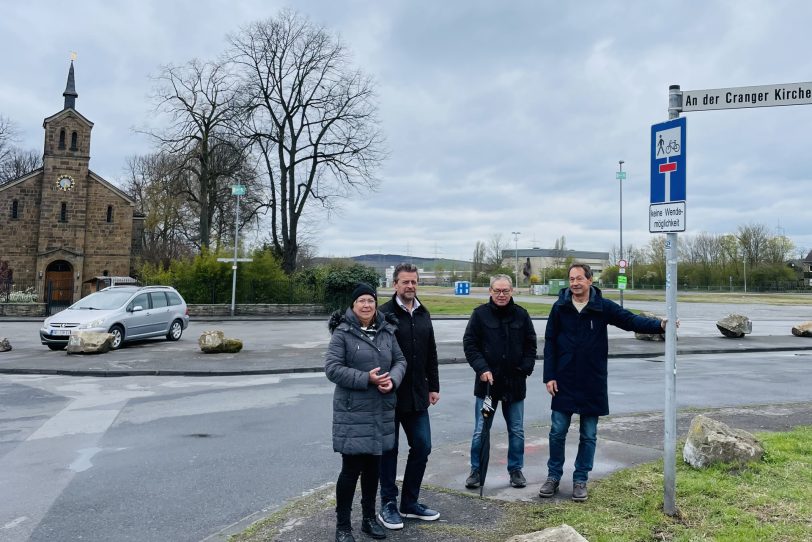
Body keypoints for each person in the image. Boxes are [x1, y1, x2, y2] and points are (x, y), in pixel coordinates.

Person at [540, 263, 670, 502]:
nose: (575, 283)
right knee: (557, 432)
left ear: (590, 280)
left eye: (579, 278)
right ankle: (553, 477)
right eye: (571, 279)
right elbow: (550, 343)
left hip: (592, 380)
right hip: (564, 380)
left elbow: (631, 321)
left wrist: (659, 325)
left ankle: (580, 480)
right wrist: (549, 375)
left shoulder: (603, 307)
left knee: (588, 434)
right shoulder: (559, 307)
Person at [325, 283, 407, 542]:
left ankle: (369, 519)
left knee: (374, 469)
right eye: (361, 300)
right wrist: (366, 378)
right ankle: (343, 526)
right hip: (353, 412)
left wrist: (392, 380)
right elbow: (332, 368)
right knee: (351, 471)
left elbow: (400, 361)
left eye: (370, 301)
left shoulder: (386, 331)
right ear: (353, 305)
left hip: (381, 410)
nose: (367, 305)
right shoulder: (343, 332)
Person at [377, 263, 441, 530]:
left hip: (417, 395)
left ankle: (409, 502)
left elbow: (431, 352)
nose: (410, 286)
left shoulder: (423, 312)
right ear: (395, 284)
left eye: (414, 282)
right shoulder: (384, 315)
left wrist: (433, 386)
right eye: (405, 282)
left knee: (422, 446)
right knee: (389, 451)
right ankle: (388, 505)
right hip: (389, 395)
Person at [463, 274, 537, 490]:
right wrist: (482, 369)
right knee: (481, 430)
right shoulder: (480, 315)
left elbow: (531, 345)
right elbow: (470, 344)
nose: (502, 294)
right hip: (488, 387)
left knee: (516, 430)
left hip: (514, 386)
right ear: (490, 291)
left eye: (505, 291)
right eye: (497, 291)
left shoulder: (521, 315)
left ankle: (516, 470)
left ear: (511, 291)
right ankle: (476, 470)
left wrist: (525, 369)